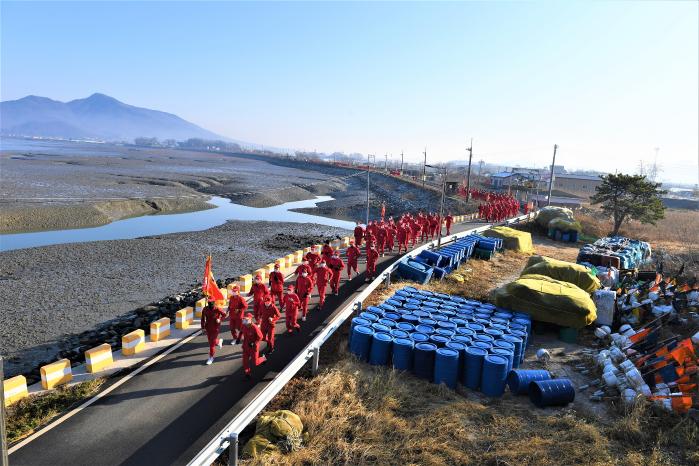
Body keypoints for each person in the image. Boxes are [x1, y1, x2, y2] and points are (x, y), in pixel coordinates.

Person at [241, 313, 266, 379]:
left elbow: (260, 337)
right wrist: (238, 338)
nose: (244, 321)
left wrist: (254, 343)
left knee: (255, 362)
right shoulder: (244, 326)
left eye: (246, 320)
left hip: (253, 348)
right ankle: (247, 374)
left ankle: (263, 358)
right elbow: (241, 331)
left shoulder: (254, 327)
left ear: (250, 320)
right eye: (244, 319)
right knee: (245, 362)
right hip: (246, 346)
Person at [201, 300, 226, 365]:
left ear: (214, 303)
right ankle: (219, 341)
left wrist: (220, 319)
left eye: (212, 303)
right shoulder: (205, 309)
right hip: (208, 327)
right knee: (210, 341)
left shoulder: (217, 309)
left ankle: (211, 357)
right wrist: (203, 327)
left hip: (215, 328)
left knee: (211, 344)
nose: (210, 304)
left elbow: (224, 315)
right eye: (209, 303)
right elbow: (202, 318)